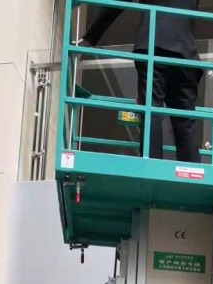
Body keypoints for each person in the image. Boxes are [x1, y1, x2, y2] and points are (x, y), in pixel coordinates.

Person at [82, 0, 203, 163]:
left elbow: (114, 5)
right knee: (185, 119)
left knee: (152, 109)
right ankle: (191, 170)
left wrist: (90, 38)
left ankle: (151, 164)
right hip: (186, 52)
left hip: (154, 43)